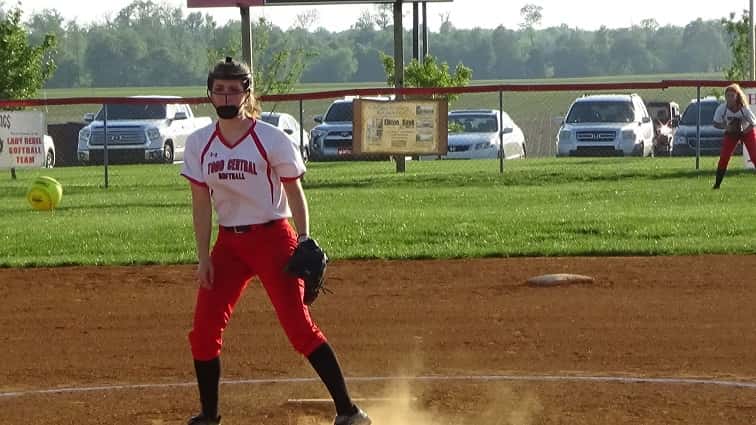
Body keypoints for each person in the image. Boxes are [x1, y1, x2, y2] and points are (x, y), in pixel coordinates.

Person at [180, 57, 372, 425]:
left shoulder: (269, 138)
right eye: (219, 89)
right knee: (203, 332)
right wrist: (203, 256)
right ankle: (209, 416)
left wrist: (304, 238)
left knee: (300, 329)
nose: (225, 96)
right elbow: (201, 203)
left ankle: (349, 412)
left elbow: (294, 191)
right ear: (210, 94)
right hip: (229, 245)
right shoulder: (200, 143)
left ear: (247, 93)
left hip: (273, 239)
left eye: (233, 89)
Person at [712, 83, 756, 189]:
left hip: (746, 131)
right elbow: (715, 123)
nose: (730, 98)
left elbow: (753, 123)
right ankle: (717, 185)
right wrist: (726, 127)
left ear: (737, 96)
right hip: (731, 133)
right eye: (728, 96)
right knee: (724, 157)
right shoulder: (722, 108)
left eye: (732, 96)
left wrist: (745, 131)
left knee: (754, 155)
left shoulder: (743, 108)